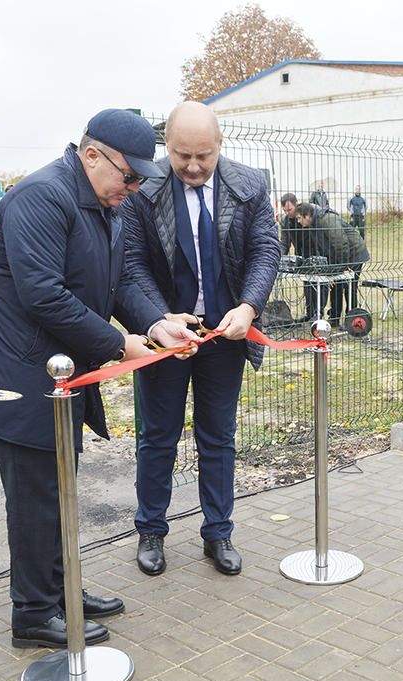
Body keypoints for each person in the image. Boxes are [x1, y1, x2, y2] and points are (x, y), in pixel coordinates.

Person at [0, 109, 198, 649]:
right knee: (37, 497)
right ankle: (34, 614)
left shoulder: (103, 203)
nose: (132, 188)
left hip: (63, 378)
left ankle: (61, 588)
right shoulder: (40, 197)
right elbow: (44, 295)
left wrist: (156, 323)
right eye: (127, 176)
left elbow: (116, 284)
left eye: (138, 179)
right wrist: (120, 344)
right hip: (22, 378)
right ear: (91, 154)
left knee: (61, 488)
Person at [123, 101, 281, 577]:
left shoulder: (249, 184)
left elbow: (265, 249)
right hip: (164, 338)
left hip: (223, 337)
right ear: (166, 146)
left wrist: (249, 307)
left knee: (219, 437)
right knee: (157, 438)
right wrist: (157, 319)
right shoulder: (142, 188)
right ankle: (151, 531)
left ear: (219, 146)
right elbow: (132, 264)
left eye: (203, 157)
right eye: (180, 155)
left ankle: (219, 533)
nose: (192, 166)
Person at [295, 201, 370, 328]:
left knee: (349, 286)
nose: (297, 221)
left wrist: (344, 267)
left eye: (298, 218)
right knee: (335, 285)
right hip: (338, 256)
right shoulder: (314, 225)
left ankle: (351, 321)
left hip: (354, 253)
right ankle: (334, 318)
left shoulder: (326, 219)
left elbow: (341, 243)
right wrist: (329, 270)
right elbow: (322, 248)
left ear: (307, 215)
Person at [280, 193, 327, 322]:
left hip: (317, 250)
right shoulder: (285, 221)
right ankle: (309, 312)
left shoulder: (309, 214)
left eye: (289, 210)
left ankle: (319, 313)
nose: (287, 213)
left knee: (320, 282)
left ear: (296, 205)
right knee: (307, 282)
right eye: (284, 210)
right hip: (302, 252)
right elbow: (284, 243)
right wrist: (281, 260)